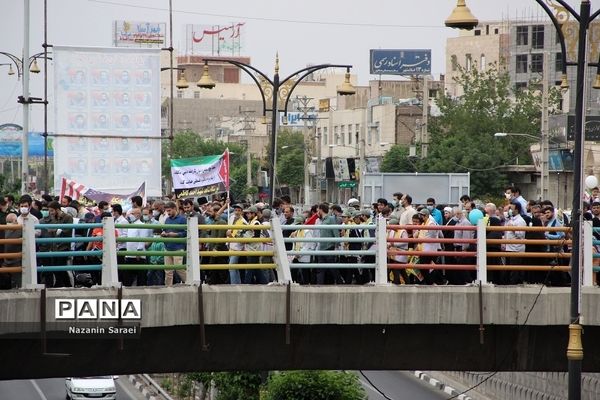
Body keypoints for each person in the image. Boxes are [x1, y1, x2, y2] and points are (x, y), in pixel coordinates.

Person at [40, 201, 73, 287]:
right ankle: (64, 285)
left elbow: (67, 230)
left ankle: (65, 285)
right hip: (54, 247)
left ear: (57, 209)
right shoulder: (54, 218)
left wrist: (55, 230)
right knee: (57, 268)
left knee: (60, 268)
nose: (50, 213)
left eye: (51, 211)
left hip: (63, 247)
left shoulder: (68, 217)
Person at [316, 203, 342, 285]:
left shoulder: (331, 219)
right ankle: (319, 285)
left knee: (332, 268)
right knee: (320, 268)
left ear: (321, 210)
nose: (317, 212)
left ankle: (340, 282)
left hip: (329, 247)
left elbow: (335, 232)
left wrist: (337, 245)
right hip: (321, 247)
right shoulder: (322, 220)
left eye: (318, 210)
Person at [162, 201, 187, 285]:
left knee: (179, 268)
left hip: (178, 247)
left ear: (174, 209)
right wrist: (164, 234)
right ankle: (168, 287)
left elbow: (186, 233)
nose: (168, 213)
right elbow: (165, 230)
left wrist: (176, 234)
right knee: (168, 270)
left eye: (169, 211)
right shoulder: (167, 220)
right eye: (166, 211)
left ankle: (189, 282)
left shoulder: (182, 219)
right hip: (168, 246)